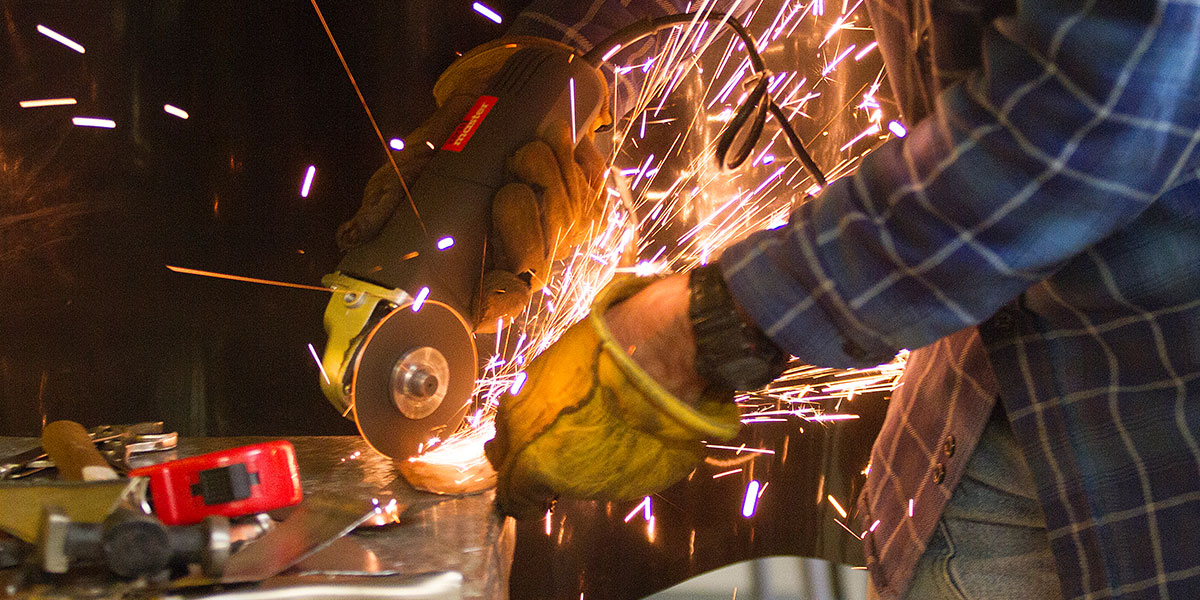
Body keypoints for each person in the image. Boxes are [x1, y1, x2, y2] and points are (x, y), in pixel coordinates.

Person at [341, 1, 1200, 598]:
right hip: (977, 412)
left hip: (1154, 458)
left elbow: (1092, 117)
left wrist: (711, 323)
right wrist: (547, 78)